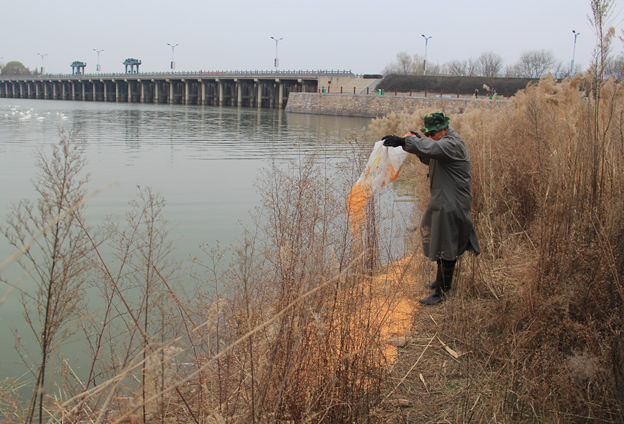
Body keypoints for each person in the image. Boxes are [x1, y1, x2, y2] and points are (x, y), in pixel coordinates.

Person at [381, 112, 480, 305]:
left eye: (433, 133)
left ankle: (441, 294)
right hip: (443, 199)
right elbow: (429, 156)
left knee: (447, 245)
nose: (430, 137)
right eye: (427, 134)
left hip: (452, 202)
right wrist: (417, 142)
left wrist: (404, 141)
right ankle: (439, 282)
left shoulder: (453, 143)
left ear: (444, 128)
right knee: (440, 239)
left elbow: (436, 148)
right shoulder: (440, 144)